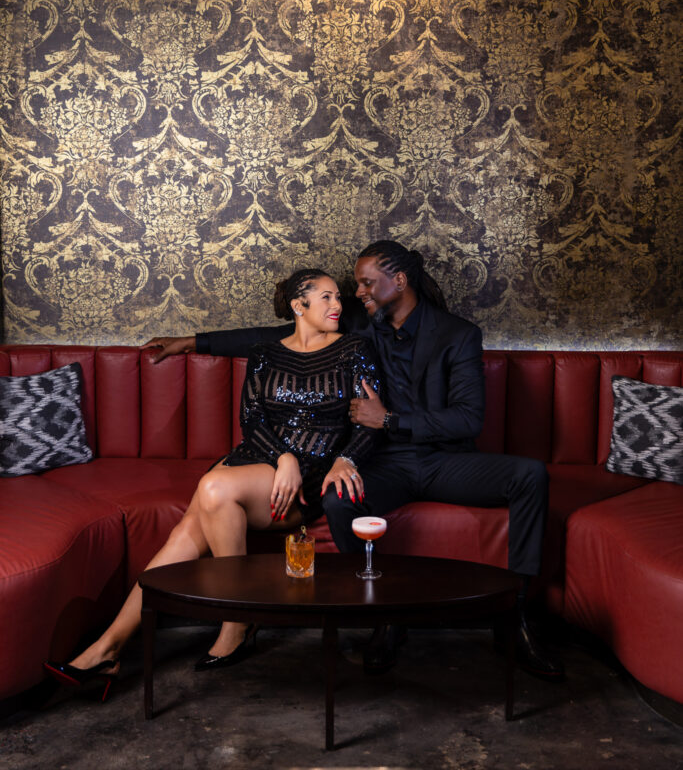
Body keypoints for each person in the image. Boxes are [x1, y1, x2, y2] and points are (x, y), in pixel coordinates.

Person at [147, 241, 564, 680]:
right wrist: (193, 342)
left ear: (399, 281)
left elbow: (468, 418)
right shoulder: (359, 326)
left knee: (530, 474)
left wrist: (392, 419)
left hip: (443, 462)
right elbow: (275, 337)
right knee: (336, 498)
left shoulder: (458, 334)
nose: (357, 292)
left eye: (366, 283)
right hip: (383, 464)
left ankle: (516, 615)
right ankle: (385, 618)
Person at [44, 268, 381, 696]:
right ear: (299, 306)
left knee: (214, 488)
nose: (339, 306)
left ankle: (235, 619)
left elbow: (371, 421)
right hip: (262, 460)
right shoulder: (265, 353)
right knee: (187, 530)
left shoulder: (355, 349)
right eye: (328, 298)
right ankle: (108, 649)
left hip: (311, 476)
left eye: (340, 298)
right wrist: (284, 456)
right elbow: (252, 421)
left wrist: (338, 460)